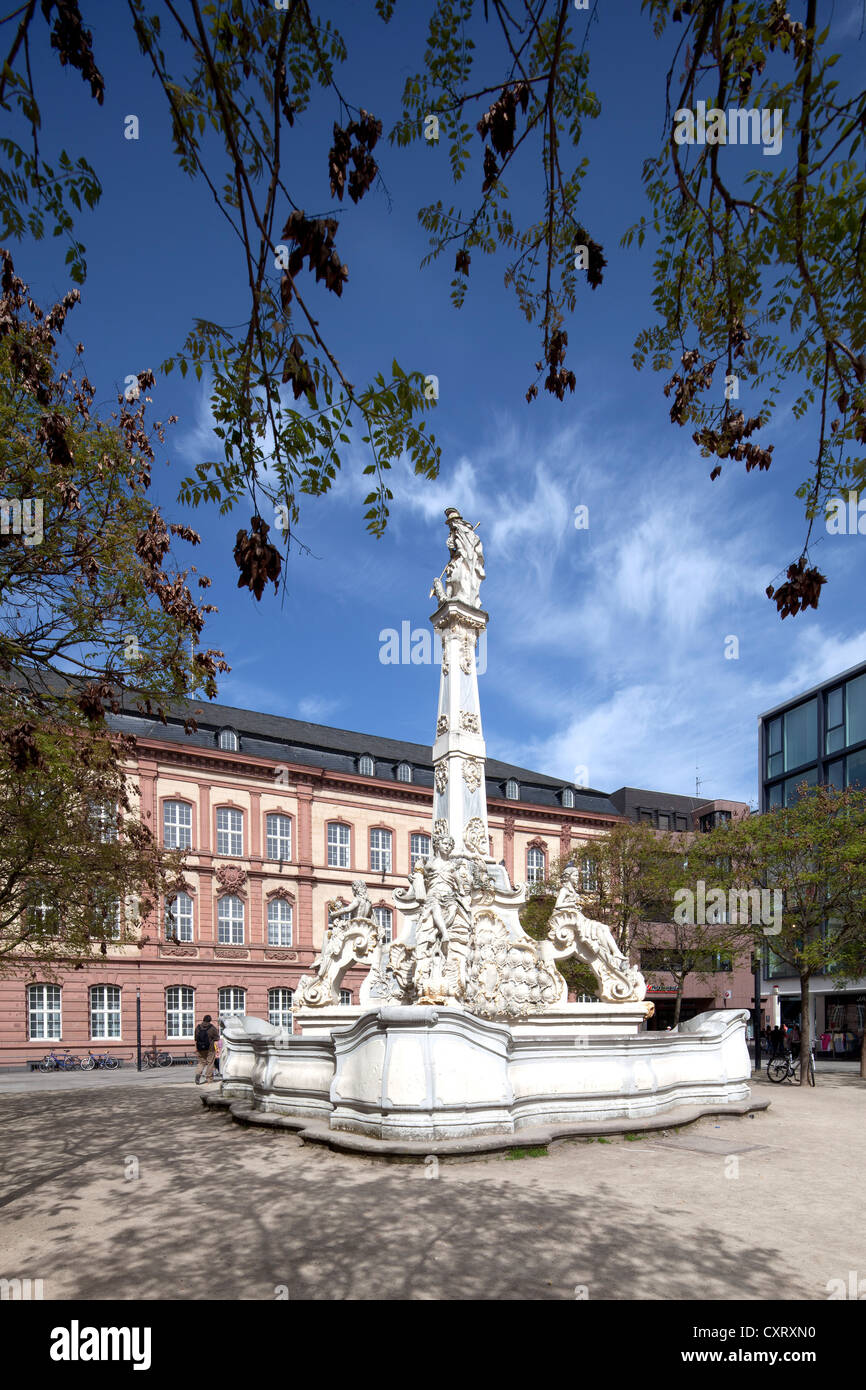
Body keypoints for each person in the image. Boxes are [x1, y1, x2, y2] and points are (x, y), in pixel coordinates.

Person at [194, 1014, 219, 1084]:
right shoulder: (212, 1028)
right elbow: (217, 1038)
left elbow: (195, 1038)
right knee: (210, 1063)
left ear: (203, 1019)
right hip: (210, 1049)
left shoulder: (198, 1027)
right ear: (210, 1020)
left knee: (201, 1063)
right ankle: (209, 1079)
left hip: (200, 1049)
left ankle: (198, 1074)